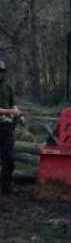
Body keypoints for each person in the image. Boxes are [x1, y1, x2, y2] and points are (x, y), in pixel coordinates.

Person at [0, 60, 21, 195]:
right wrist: (10, 112)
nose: (0, 74)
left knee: (8, 158)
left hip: (7, 128)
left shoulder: (7, 87)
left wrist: (18, 113)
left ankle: (6, 187)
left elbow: (13, 104)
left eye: (1, 71)